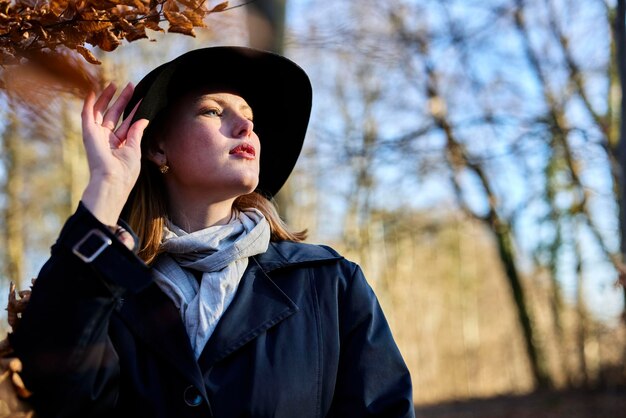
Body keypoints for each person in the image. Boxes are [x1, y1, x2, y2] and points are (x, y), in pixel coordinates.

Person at [9, 46, 415, 418]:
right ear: (157, 148)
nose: (245, 127)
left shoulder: (330, 284)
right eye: (212, 111)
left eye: (250, 118)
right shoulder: (104, 291)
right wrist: (107, 187)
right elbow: (52, 385)